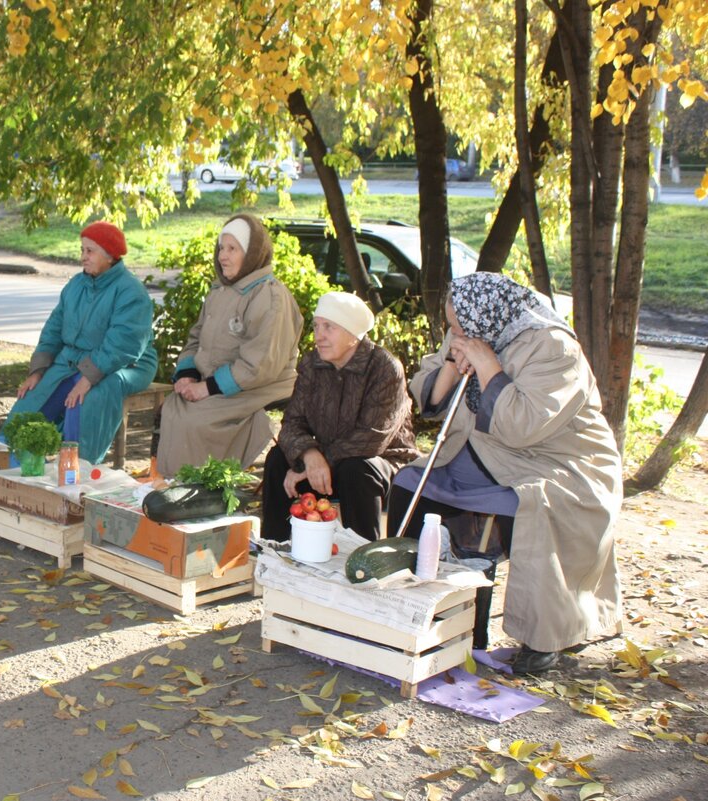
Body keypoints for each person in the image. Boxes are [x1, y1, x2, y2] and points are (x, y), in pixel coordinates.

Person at [386, 273, 623, 674]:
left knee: (531, 506)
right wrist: (452, 362)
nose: (454, 334)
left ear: (486, 315)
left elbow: (523, 426)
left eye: (459, 329)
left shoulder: (554, 348)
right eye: (452, 329)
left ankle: (543, 636)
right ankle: (415, 610)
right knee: (411, 484)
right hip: (480, 450)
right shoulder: (473, 325)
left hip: (555, 462)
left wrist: (488, 366)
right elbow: (427, 396)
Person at [262, 292, 419, 542]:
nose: (319, 336)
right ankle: (276, 548)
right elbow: (291, 423)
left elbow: (371, 439)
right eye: (316, 326)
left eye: (329, 327)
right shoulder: (312, 364)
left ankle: (363, 558)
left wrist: (317, 461)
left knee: (357, 468)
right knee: (278, 459)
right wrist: (309, 456)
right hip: (327, 462)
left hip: (383, 463)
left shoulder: (384, 368)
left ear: (352, 333)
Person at [154, 214, 303, 477]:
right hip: (214, 381)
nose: (223, 256)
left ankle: (200, 492)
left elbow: (261, 364)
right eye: (221, 248)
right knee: (171, 409)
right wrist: (188, 375)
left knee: (195, 421)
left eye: (232, 249)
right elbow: (195, 338)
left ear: (252, 253)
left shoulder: (269, 296)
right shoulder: (221, 290)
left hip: (259, 385)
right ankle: (167, 485)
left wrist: (208, 388)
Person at [3, 221, 157, 464]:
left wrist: (87, 378)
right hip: (74, 359)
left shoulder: (131, 291)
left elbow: (124, 344)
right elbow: (54, 328)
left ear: (110, 256)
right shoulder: (76, 284)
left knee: (82, 401)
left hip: (125, 364)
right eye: (82, 250)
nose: (83, 257)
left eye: (90, 251)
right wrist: (38, 371)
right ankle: (14, 467)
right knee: (32, 400)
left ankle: (76, 467)